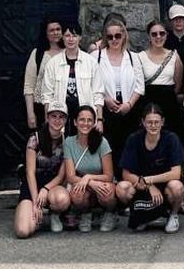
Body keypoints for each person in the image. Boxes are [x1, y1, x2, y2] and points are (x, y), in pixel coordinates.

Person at [116, 104, 184, 233]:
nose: (153, 125)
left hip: (164, 187)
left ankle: (173, 215)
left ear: (162, 122)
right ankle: (141, 215)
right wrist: (148, 184)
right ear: (143, 122)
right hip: (141, 185)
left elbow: (176, 173)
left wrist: (150, 179)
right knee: (122, 188)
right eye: (149, 122)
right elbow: (126, 173)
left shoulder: (171, 139)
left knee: (177, 187)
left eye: (156, 122)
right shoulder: (134, 139)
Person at [14, 101, 71, 238]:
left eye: (61, 117)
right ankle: (25, 209)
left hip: (52, 186)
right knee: (23, 231)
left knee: (62, 199)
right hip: (32, 186)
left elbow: (61, 176)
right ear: (47, 117)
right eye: (53, 116)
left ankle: (55, 214)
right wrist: (36, 203)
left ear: (66, 119)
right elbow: (30, 172)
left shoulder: (67, 142)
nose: (57, 120)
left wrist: (45, 189)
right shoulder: (35, 139)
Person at [94, 17, 143, 176]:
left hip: (129, 108)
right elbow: (91, 85)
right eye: (110, 36)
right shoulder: (96, 56)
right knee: (108, 147)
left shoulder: (133, 57)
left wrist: (129, 104)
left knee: (128, 146)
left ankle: (127, 182)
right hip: (106, 109)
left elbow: (140, 86)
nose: (114, 40)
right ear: (105, 38)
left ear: (124, 36)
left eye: (117, 36)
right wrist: (105, 99)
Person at [40, 21, 104, 136]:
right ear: (63, 38)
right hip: (60, 116)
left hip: (85, 116)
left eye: (74, 36)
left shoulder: (91, 62)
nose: (71, 39)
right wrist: (47, 120)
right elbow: (47, 96)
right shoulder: (53, 63)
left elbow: (98, 94)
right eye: (67, 35)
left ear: (80, 38)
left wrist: (99, 120)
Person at [63, 105, 118, 232]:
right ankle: (85, 214)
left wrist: (89, 177)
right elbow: (70, 176)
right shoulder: (69, 142)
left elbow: (109, 175)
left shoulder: (102, 142)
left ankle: (110, 213)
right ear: (75, 122)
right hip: (82, 184)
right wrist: (89, 182)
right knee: (77, 195)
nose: (85, 123)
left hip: (102, 182)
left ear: (94, 123)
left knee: (107, 193)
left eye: (89, 120)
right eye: (82, 120)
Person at [137, 20, 184, 132]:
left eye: (162, 33)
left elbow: (178, 84)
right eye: (154, 34)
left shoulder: (174, 56)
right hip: (147, 102)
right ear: (149, 36)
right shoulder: (140, 57)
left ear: (166, 35)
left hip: (169, 103)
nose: (158, 37)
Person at [23, 17, 63, 131]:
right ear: (46, 34)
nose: (55, 32)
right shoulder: (38, 54)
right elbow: (29, 86)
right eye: (51, 30)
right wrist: (30, 114)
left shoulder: (69, 53)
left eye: (58, 29)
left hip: (65, 107)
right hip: (41, 107)